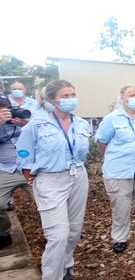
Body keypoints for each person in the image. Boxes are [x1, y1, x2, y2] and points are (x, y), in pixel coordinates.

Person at [15, 80, 91, 280]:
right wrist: (32, 187)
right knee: (58, 235)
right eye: (64, 96)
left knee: (74, 231)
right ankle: (51, 276)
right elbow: (25, 158)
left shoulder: (81, 123)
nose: (70, 99)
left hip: (78, 177)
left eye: (72, 94)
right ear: (50, 100)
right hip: (50, 180)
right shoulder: (36, 125)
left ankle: (66, 268)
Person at [95, 85, 135, 254]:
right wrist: (116, 156)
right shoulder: (111, 119)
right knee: (120, 206)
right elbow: (102, 143)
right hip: (119, 170)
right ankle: (120, 238)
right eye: (131, 95)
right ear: (122, 98)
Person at [0, 94, 32, 250]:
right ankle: (4, 233)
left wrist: (26, 124)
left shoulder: (18, 115)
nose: (4, 111)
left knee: (47, 201)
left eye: (6, 107)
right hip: (5, 169)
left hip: (29, 167)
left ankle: (53, 233)